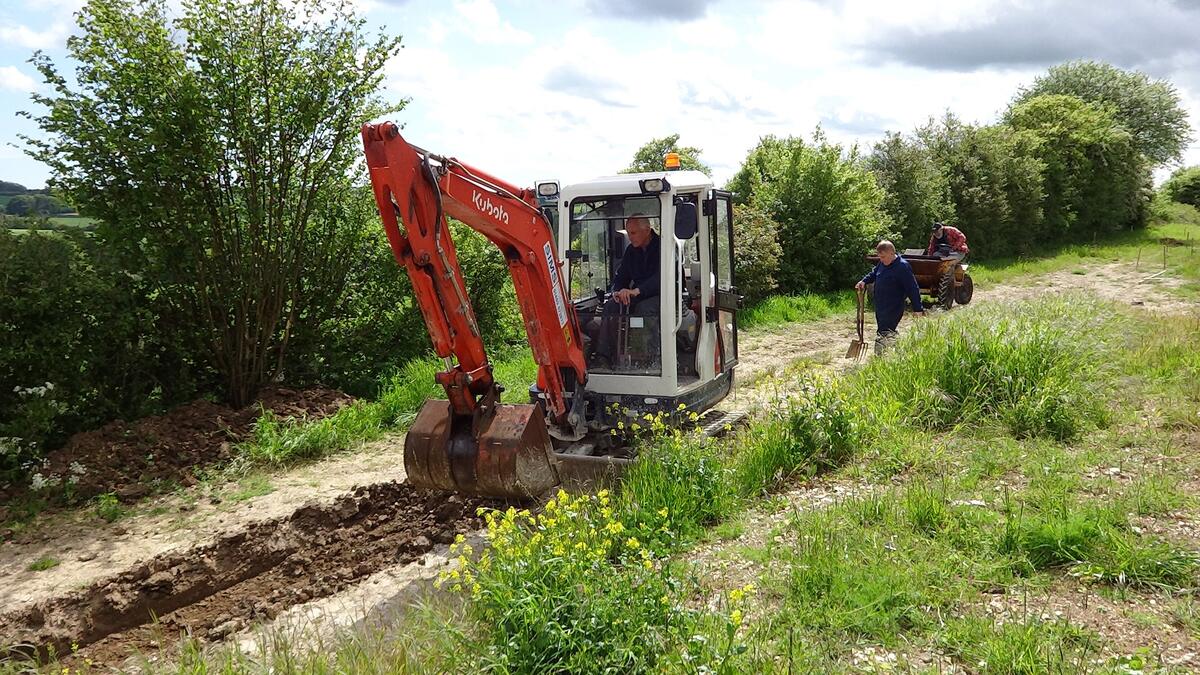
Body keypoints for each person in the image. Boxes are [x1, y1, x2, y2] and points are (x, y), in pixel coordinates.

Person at [589, 214, 660, 367]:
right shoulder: (631, 251)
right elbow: (621, 276)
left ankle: (652, 359)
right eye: (628, 233)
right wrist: (618, 291)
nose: (630, 237)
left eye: (633, 233)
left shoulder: (664, 247)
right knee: (611, 306)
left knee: (645, 309)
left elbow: (661, 278)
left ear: (647, 230)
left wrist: (637, 291)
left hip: (663, 294)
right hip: (639, 294)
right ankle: (605, 357)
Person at [856, 240, 924, 355]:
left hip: (893, 306)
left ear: (892, 253)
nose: (881, 260)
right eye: (880, 257)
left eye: (883, 257)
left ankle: (879, 357)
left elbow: (912, 288)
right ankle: (898, 350)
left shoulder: (902, 267)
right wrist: (864, 281)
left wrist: (918, 308)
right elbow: (874, 273)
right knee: (887, 330)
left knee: (883, 331)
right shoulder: (882, 263)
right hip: (881, 305)